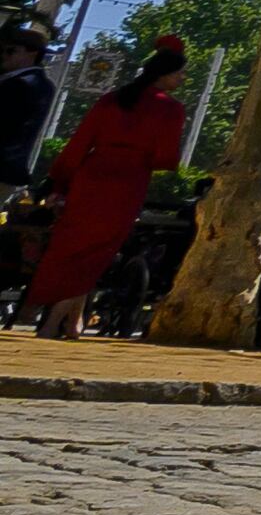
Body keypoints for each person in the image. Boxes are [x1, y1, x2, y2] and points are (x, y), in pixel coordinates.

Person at [22, 38, 188, 338]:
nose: (182, 79)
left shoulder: (112, 99)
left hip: (92, 174)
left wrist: (59, 182)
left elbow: (79, 144)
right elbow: (166, 157)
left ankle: (72, 321)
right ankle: (52, 321)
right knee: (99, 251)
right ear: (164, 75)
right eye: (179, 74)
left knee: (73, 245)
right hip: (127, 181)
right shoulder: (170, 109)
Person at [0, 27, 53, 187]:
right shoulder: (37, 82)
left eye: (11, 50)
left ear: (33, 53)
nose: (3, 55)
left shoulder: (23, 84)